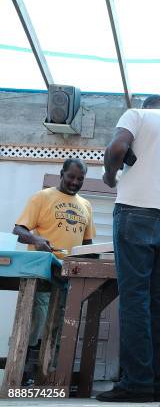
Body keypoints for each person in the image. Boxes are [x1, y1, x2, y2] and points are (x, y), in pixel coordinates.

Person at [97, 94, 160, 403]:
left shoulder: (137, 116)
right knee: (158, 303)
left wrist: (110, 175)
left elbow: (116, 149)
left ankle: (136, 383)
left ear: (147, 105)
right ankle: (156, 384)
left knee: (134, 299)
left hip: (132, 212)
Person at [13, 158, 95, 375]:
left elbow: (88, 245)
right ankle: (25, 374)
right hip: (43, 272)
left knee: (61, 324)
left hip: (70, 274)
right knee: (38, 321)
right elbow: (19, 230)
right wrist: (38, 240)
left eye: (80, 178)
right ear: (62, 173)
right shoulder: (42, 197)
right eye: (71, 177)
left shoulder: (86, 205)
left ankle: (50, 374)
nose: (75, 182)